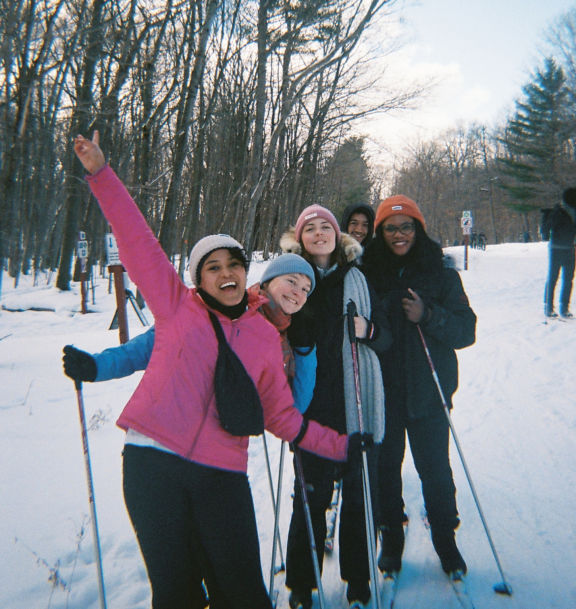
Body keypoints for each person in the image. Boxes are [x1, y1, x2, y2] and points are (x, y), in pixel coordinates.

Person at [69, 133, 372, 609]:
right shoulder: (177, 309)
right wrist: (101, 174)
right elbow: (136, 240)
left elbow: (286, 417)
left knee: (244, 593)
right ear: (199, 277)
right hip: (153, 465)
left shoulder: (266, 341)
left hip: (221, 473)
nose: (226, 271)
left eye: (234, 263)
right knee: (176, 593)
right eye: (214, 266)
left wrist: (343, 446)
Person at [280, 205, 392, 609]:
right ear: (301, 238)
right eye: (310, 228)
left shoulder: (358, 278)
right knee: (309, 496)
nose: (319, 232)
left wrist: (369, 329)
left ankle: (358, 582)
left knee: (361, 497)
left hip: (356, 402)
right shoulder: (291, 279)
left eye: (325, 226)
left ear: (337, 235)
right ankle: (301, 584)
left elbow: (387, 338)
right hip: (312, 407)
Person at [361, 195, 476, 577]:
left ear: (418, 228)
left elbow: (465, 330)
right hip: (383, 395)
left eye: (406, 226)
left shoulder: (441, 273)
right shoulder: (367, 274)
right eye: (390, 228)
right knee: (385, 471)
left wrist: (429, 314)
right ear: (380, 233)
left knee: (435, 470)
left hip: (429, 393)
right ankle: (391, 536)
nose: (399, 235)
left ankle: (446, 539)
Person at [64, 253, 318, 414]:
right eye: (292, 281)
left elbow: (293, 407)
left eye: (306, 289)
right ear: (267, 282)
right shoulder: (230, 306)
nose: (298, 292)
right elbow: (157, 344)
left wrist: (306, 351)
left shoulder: (286, 335)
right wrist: (97, 366)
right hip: (168, 437)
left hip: (222, 449)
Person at [541, 187, 576, 318]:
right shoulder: (558, 212)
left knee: (568, 280)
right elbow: (546, 229)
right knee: (553, 278)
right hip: (556, 249)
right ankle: (549, 307)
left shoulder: (574, 212)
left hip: (570, 249)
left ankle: (564, 308)